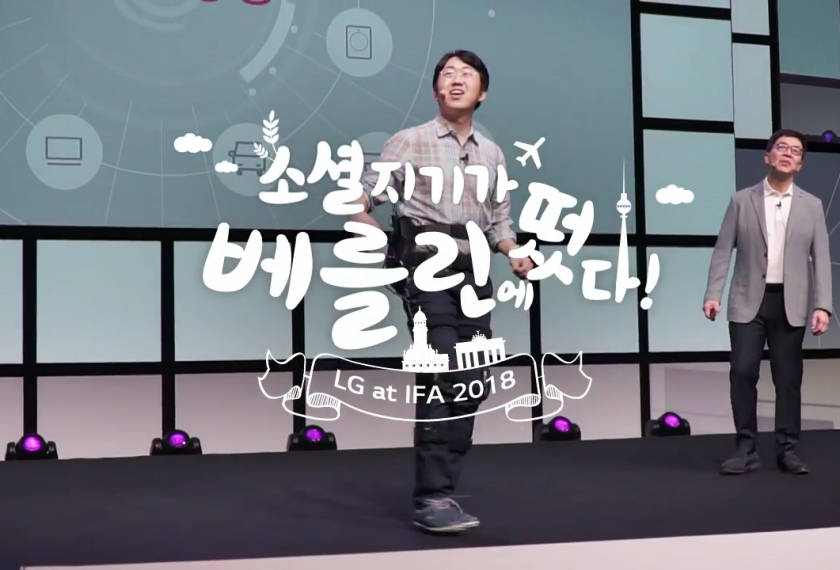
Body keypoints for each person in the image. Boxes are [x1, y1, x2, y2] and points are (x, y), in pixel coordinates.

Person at [351, 49, 532, 532]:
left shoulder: (492, 153)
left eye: (467, 74)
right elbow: (367, 191)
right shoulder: (410, 141)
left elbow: (499, 222)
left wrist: (515, 252)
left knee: (473, 380)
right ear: (436, 90)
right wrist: (363, 217)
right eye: (447, 74)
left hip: (475, 269)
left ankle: (444, 490)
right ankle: (432, 496)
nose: (456, 80)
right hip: (425, 265)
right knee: (442, 371)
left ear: (482, 92)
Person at [703, 128, 832, 476]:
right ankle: (745, 448)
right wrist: (713, 293)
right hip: (748, 301)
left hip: (790, 303)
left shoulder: (812, 205)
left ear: (800, 164)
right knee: (743, 372)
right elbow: (722, 251)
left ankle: (787, 450)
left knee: (787, 379)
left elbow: (821, 258)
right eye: (781, 147)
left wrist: (823, 305)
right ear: (767, 156)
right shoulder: (741, 201)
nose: (788, 153)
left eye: (795, 151)